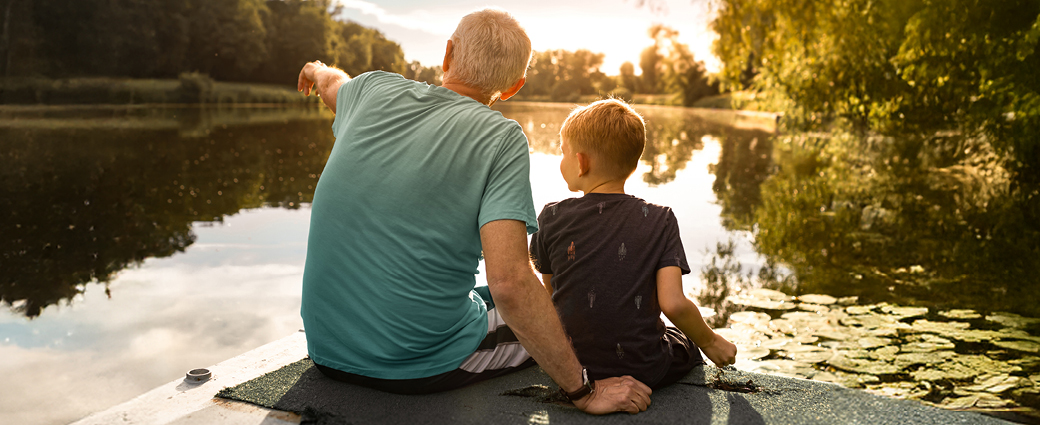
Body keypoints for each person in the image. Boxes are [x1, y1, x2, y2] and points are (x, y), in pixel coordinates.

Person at [295, 8, 652, 414]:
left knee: (509, 300)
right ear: (515, 86)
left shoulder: (370, 88)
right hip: (414, 363)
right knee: (567, 311)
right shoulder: (501, 138)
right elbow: (510, 282)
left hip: (325, 347)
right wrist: (583, 392)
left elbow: (332, 83)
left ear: (447, 55)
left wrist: (317, 68)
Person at [529, 99, 738, 389]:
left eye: (562, 152)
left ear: (581, 162)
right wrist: (711, 341)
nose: (560, 160)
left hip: (570, 367)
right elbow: (674, 304)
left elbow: (551, 293)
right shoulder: (660, 220)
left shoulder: (550, 217)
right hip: (645, 368)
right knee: (686, 341)